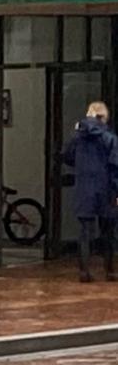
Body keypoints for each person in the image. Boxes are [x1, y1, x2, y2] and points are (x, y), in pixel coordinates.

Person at [63, 101, 118, 283]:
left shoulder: (77, 138)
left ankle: (84, 271)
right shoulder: (109, 137)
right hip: (106, 188)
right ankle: (109, 270)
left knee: (85, 231)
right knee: (108, 231)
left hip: (84, 187)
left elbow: (67, 157)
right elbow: (115, 165)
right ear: (103, 117)